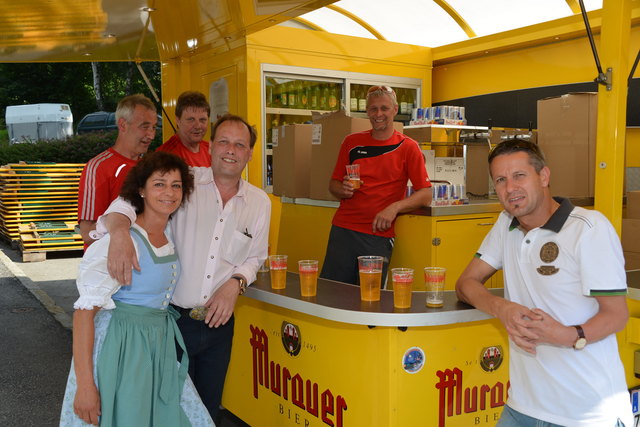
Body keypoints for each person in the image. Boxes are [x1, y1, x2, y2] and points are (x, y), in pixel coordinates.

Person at [95, 113, 270, 422]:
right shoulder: (184, 181)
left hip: (219, 326)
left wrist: (237, 283)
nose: (231, 150)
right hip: (172, 324)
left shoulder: (259, 202)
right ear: (211, 146)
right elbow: (125, 202)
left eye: (240, 144)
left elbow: (255, 256)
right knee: (166, 409)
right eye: (224, 142)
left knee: (206, 410)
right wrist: (120, 233)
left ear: (250, 153)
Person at [455, 138, 633, 426]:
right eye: (500, 180)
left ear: (544, 176)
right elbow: (466, 283)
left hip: (586, 412)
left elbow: (616, 314)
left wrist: (565, 335)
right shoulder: (506, 224)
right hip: (523, 406)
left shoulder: (589, 228)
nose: (510, 188)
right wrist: (503, 308)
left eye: (519, 176)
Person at [59, 152, 214, 426]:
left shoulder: (169, 235)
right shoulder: (120, 242)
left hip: (157, 347)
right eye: (159, 184)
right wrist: (85, 385)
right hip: (120, 348)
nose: (169, 192)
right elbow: (83, 314)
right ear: (140, 190)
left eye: (176, 185)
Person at [320, 85, 432, 285]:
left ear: (395, 110)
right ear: (367, 111)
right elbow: (333, 184)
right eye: (373, 109)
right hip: (343, 231)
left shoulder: (409, 147)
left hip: (377, 235)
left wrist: (394, 208)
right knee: (332, 294)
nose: (378, 114)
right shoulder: (351, 142)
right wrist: (342, 189)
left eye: (384, 108)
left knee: (369, 299)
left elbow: (425, 194)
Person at [77, 94, 158, 247]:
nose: (151, 134)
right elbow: (87, 233)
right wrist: (119, 226)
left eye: (154, 127)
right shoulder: (98, 167)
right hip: (107, 265)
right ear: (122, 125)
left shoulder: (151, 166)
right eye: (144, 126)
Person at [157, 91, 211, 167]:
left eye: (202, 120)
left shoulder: (211, 150)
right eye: (191, 119)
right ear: (178, 120)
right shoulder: (165, 157)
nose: (198, 126)